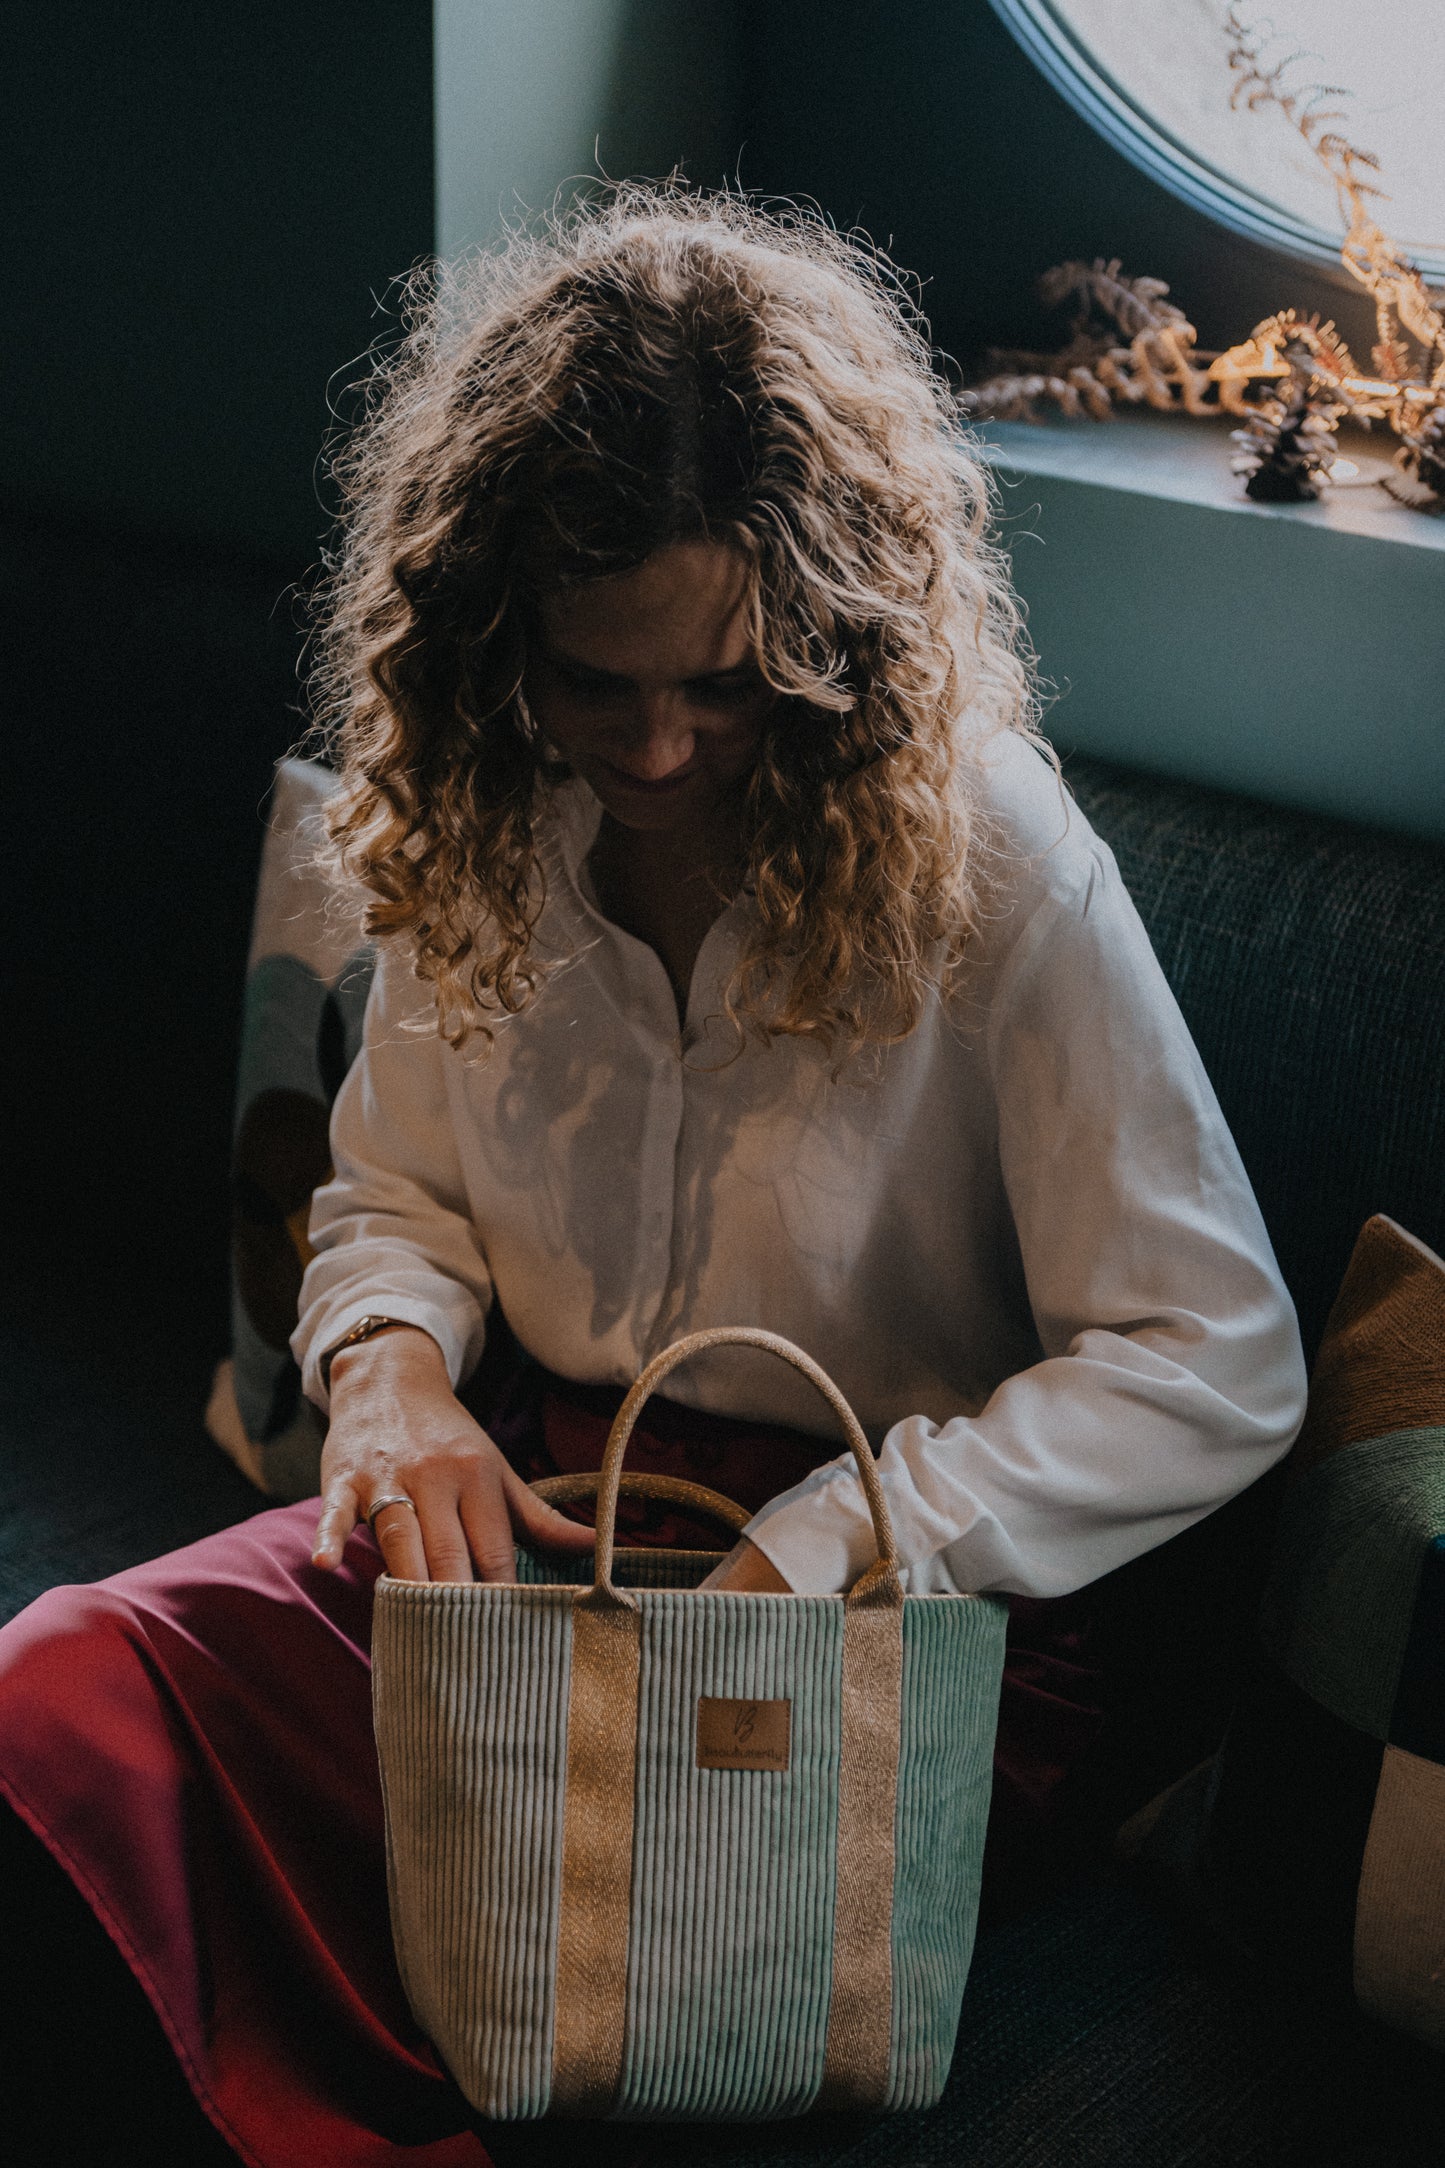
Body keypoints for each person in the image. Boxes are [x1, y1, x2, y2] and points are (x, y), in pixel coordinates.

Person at [0, 188, 1307, 2166]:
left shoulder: (995, 860)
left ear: (826, 625)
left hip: (877, 1616)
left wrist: (847, 1539)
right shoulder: (480, 809)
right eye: (596, 683)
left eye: (723, 679)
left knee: (587, 1951)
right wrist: (394, 1384)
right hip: (524, 1532)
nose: (665, 746)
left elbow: (1220, 1356)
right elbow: (391, 1207)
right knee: (53, 1696)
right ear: (497, 638)